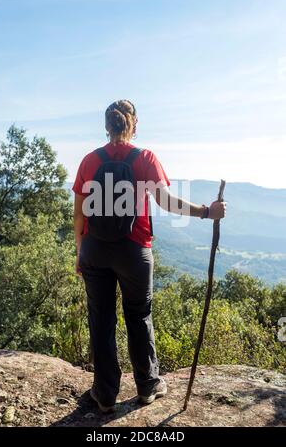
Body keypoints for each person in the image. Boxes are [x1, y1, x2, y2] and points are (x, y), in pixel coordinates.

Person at [73, 99, 226, 413]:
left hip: (94, 249)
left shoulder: (89, 161)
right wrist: (206, 212)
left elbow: (78, 213)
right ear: (134, 124)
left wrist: (80, 251)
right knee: (138, 315)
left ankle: (104, 394)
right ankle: (147, 386)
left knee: (100, 320)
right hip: (133, 250)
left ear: (106, 126)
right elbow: (168, 203)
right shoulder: (144, 158)